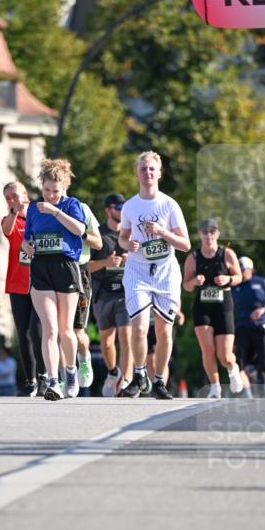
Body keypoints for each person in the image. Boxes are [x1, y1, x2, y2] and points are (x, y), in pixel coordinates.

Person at [117, 151, 190, 399]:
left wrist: (161, 231)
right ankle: (139, 376)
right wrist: (127, 245)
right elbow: (122, 237)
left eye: (151, 169)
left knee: (164, 331)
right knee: (138, 328)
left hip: (165, 272)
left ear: (159, 173)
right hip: (137, 271)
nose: (147, 173)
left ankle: (159, 381)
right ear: (137, 173)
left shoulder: (169, 205)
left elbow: (185, 244)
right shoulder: (130, 206)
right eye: (143, 169)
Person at [21, 158, 86, 401]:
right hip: (41, 266)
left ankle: (70, 370)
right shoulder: (34, 209)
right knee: (49, 328)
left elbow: (80, 230)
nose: (50, 196)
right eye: (47, 190)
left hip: (65, 266)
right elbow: (27, 238)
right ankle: (52, 381)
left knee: (66, 330)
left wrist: (56, 211)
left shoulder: (72, 205)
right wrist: (27, 246)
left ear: (64, 188)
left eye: (55, 191)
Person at [182, 218, 244, 399]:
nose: (208, 235)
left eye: (212, 231)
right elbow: (186, 285)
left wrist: (228, 279)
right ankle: (215, 387)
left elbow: (239, 277)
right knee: (208, 350)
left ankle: (233, 368)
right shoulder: (193, 258)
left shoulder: (227, 254)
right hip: (202, 306)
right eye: (205, 232)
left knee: (224, 355)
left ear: (217, 234)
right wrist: (194, 281)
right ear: (200, 234)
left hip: (223, 305)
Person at [1, 181, 48, 397]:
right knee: (24, 333)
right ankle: (30, 381)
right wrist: (13, 211)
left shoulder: (40, 216)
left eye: (15, 196)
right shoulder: (10, 219)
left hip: (40, 282)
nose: (12, 200)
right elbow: (7, 230)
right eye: (8, 198)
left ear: (25, 195)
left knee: (37, 331)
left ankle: (44, 376)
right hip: (18, 284)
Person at [89, 193, 133, 397]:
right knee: (107, 342)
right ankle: (113, 372)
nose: (122, 211)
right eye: (118, 207)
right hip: (103, 292)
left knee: (126, 336)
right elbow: (86, 265)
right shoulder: (98, 234)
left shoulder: (131, 233)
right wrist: (106, 262)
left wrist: (131, 259)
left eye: (125, 207)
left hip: (125, 291)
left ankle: (126, 380)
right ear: (108, 210)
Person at [232, 255, 265, 398]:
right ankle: (247, 393)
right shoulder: (235, 285)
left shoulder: (261, 282)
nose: (240, 271)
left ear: (250, 269)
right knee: (239, 362)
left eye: (242, 268)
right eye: (238, 268)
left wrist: (263, 309)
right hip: (242, 327)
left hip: (261, 326)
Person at [71, 197, 102, 390]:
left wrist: (80, 233)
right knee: (56, 330)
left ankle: (83, 357)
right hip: (52, 270)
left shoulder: (81, 208)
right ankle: (64, 374)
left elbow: (98, 243)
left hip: (78, 271)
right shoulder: (42, 209)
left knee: (77, 331)